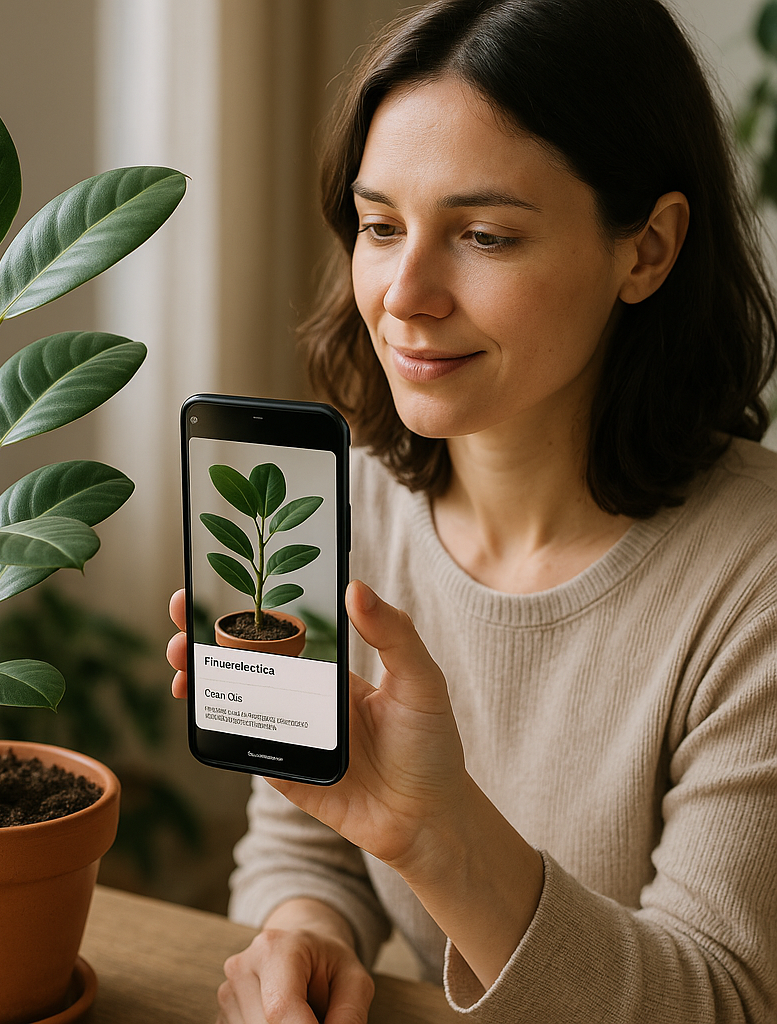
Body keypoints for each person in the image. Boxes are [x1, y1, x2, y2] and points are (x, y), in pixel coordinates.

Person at [167, 0, 777, 1020]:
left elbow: (721, 1000)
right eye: (378, 226)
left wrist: (437, 833)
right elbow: (308, 833)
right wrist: (303, 933)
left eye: (484, 235)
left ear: (648, 249)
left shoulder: (751, 580)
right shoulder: (344, 506)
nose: (403, 293)